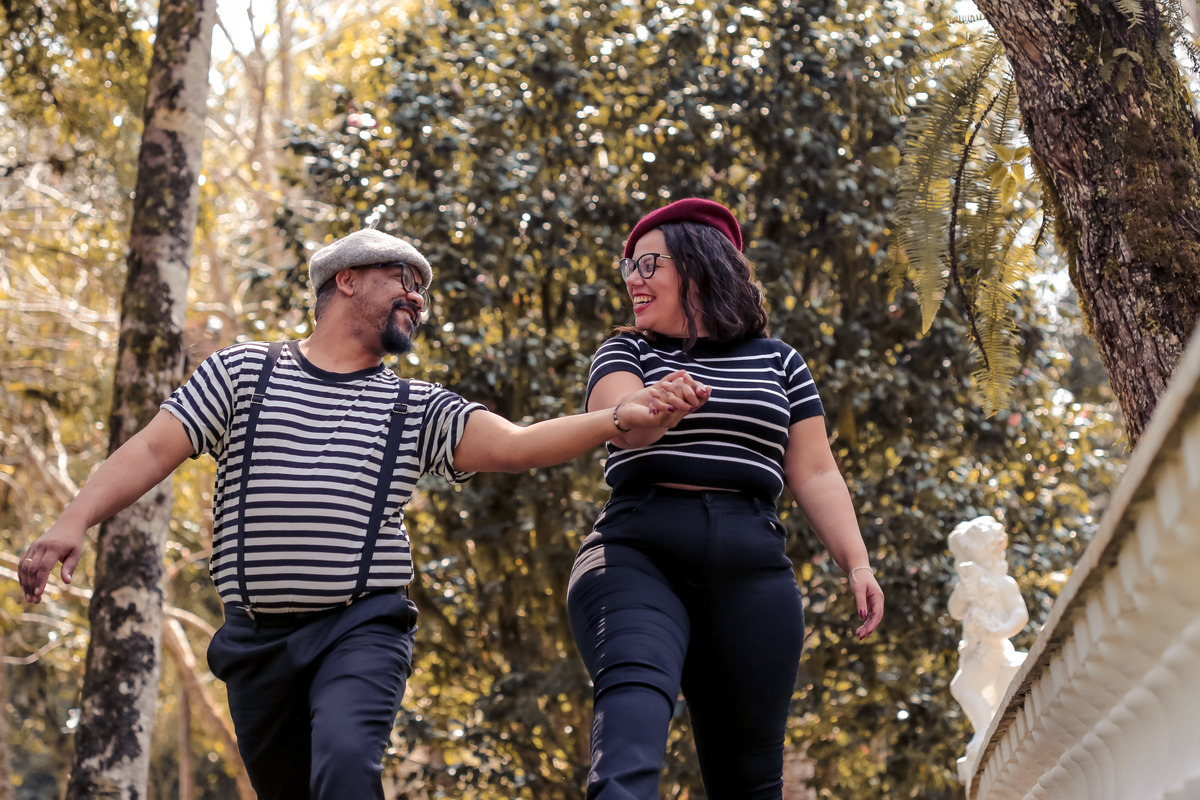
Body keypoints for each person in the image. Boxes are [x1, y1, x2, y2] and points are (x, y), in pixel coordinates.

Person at [18, 226, 709, 800]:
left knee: (347, 765)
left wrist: (619, 417)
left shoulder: (416, 407)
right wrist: (72, 521)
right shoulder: (243, 374)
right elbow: (149, 449)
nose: (418, 297)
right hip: (255, 642)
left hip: (360, 627)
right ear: (344, 280)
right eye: (402, 279)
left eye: (423, 290)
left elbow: (517, 444)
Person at [566, 198, 885, 799]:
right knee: (631, 725)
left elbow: (816, 471)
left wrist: (858, 564)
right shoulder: (627, 352)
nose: (632, 280)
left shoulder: (780, 361)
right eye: (628, 266)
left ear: (700, 264)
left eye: (648, 264)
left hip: (753, 569)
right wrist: (655, 405)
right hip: (636, 553)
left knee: (751, 783)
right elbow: (620, 420)